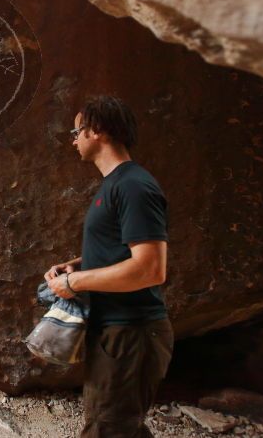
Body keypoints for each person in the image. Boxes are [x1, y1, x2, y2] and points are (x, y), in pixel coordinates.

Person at [45, 96, 172, 438]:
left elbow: (150, 269)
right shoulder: (116, 185)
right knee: (120, 427)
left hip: (131, 333)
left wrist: (76, 283)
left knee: (108, 429)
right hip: (118, 333)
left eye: (77, 130)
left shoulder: (133, 186)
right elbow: (123, 251)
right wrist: (74, 266)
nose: (73, 139)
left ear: (97, 130)